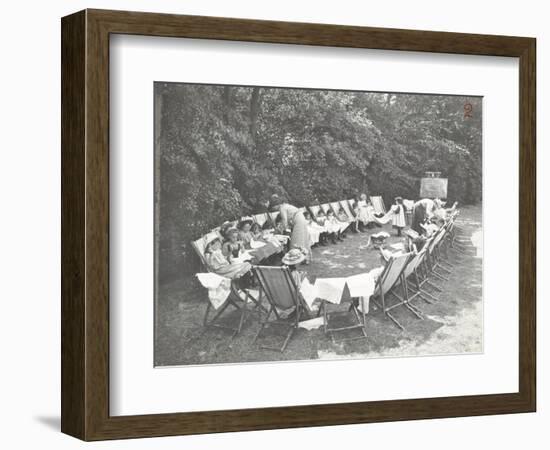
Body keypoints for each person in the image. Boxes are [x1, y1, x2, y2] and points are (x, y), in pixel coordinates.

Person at [269, 195, 312, 263]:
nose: (274, 209)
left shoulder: (282, 208)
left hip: (298, 220)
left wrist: (284, 230)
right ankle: (305, 258)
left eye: (274, 207)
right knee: (303, 239)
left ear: (276, 205)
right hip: (301, 218)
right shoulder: (286, 205)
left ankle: (298, 259)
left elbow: (284, 220)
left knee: (297, 240)